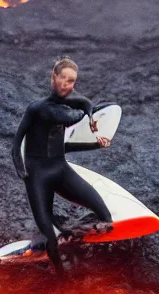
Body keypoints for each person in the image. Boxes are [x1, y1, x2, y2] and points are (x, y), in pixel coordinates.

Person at [10, 56, 113, 274]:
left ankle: (73, 236)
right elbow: (16, 144)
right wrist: (22, 171)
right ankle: (59, 277)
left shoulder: (68, 106)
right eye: (63, 78)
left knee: (104, 213)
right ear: (53, 77)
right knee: (49, 236)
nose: (66, 84)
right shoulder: (38, 109)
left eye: (71, 81)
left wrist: (97, 142)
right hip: (37, 177)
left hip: (60, 169)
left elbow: (65, 145)